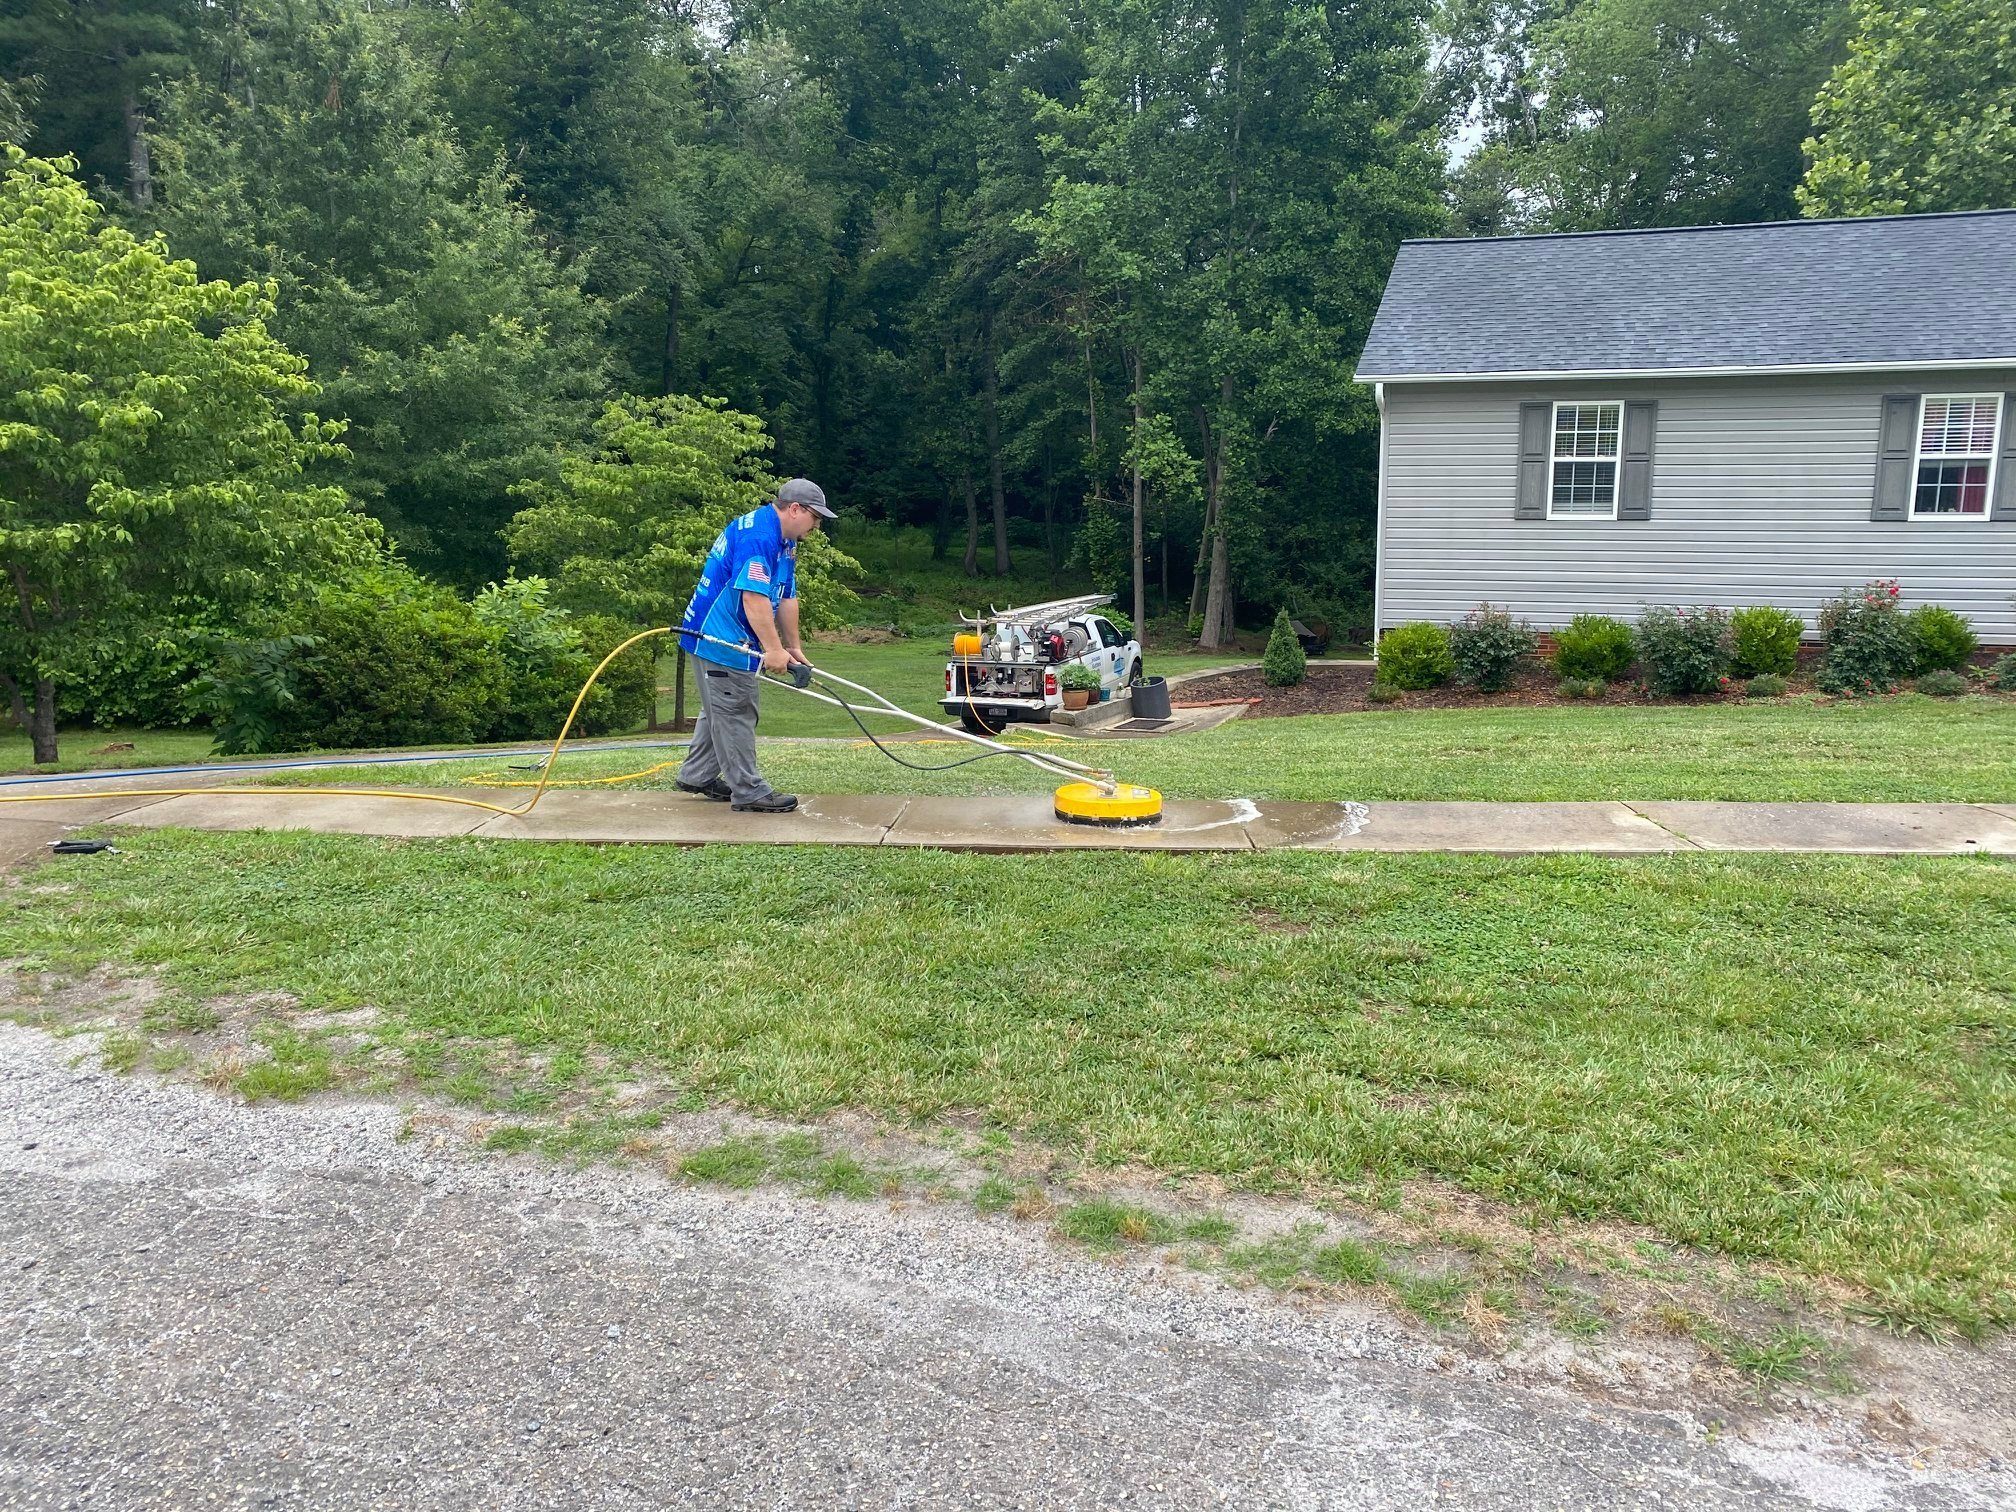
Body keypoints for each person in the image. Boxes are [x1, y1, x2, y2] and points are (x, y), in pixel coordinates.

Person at [674, 478, 834, 813]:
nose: (817, 525)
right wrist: (772, 650)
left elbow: (786, 594)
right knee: (736, 709)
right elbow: (753, 596)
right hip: (721, 638)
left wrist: (792, 647)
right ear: (795, 509)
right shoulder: (759, 537)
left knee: (719, 708)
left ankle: (697, 775)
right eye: (815, 517)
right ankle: (748, 791)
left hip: (728, 635)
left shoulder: (784, 540)